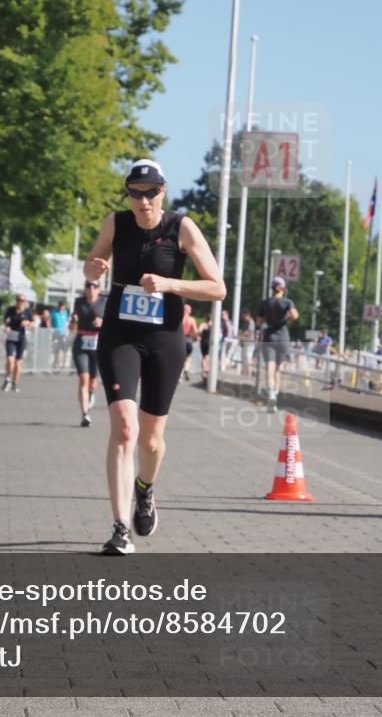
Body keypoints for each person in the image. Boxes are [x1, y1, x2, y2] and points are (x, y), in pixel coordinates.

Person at [84, 159, 225, 555]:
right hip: (120, 336)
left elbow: (218, 288)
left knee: (151, 440)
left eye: (151, 192)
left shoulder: (181, 227)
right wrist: (93, 269)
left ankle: (145, 490)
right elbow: (92, 268)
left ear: (163, 191)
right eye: (135, 193)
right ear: (128, 194)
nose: (143, 201)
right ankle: (119, 528)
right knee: (125, 429)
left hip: (165, 340)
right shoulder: (116, 223)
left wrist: (169, 283)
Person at [257, 276, 299, 413]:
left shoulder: (265, 303)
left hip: (269, 335)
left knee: (269, 365)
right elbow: (295, 316)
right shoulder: (287, 302)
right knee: (277, 369)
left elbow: (258, 322)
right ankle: (275, 393)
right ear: (283, 288)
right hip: (282, 336)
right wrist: (286, 316)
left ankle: (270, 393)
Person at [71, 281, 106, 427]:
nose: (91, 289)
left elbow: (113, 323)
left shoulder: (105, 302)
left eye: (94, 286)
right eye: (88, 286)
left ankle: (91, 393)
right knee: (83, 379)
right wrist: (73, 321)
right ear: (84, 289)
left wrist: (102, 322)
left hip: (98, 346)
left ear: (99, 289)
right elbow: (72, 324)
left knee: (93, 382)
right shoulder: (78, 302)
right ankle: (85, 414)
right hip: (81, 343)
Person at [2, 294, 36, 392]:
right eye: (18, 300)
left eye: (22, 300)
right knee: (10, 360)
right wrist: (7, 327)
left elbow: (33, 324)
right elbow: (5, 322)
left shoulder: (27, 311)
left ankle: (15, 383)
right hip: (11, 337)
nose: (20, 302)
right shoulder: (10, 310)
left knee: (18, 363)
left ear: (25, 302)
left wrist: (28, 323)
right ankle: (7, 379)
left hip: (21, 338)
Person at [51, 300, 71, 369]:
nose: (61, 307)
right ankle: (55, 364)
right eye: (60, 305)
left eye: (62, 306)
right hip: (55, 334)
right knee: (56, 349)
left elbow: (67, 322)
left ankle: (61, 364)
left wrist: (67, 331)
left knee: (63, 349)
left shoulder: (66, 313)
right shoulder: (54, 312)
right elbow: (50, 320)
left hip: (63, 334)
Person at [181, 304, 198, 381]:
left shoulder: (180, 318)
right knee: (188, 357)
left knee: (180, 358)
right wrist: (195, 337)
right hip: (188, 340)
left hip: (180, 339)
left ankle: (180, 374)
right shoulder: (192, 320)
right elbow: (195, 331)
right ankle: (186, 369)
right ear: (189, 311)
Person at [237, 308, 256, 376]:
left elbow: (247, 332)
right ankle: (246, 373)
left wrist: (239, 336)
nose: (241, 316)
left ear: (246, 314)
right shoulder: (246, 322)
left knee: (248, 358)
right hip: (245, 344)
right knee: (245, 358)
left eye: (242, 315)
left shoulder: (250, 322)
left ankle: (249, 374)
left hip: (249, 344)